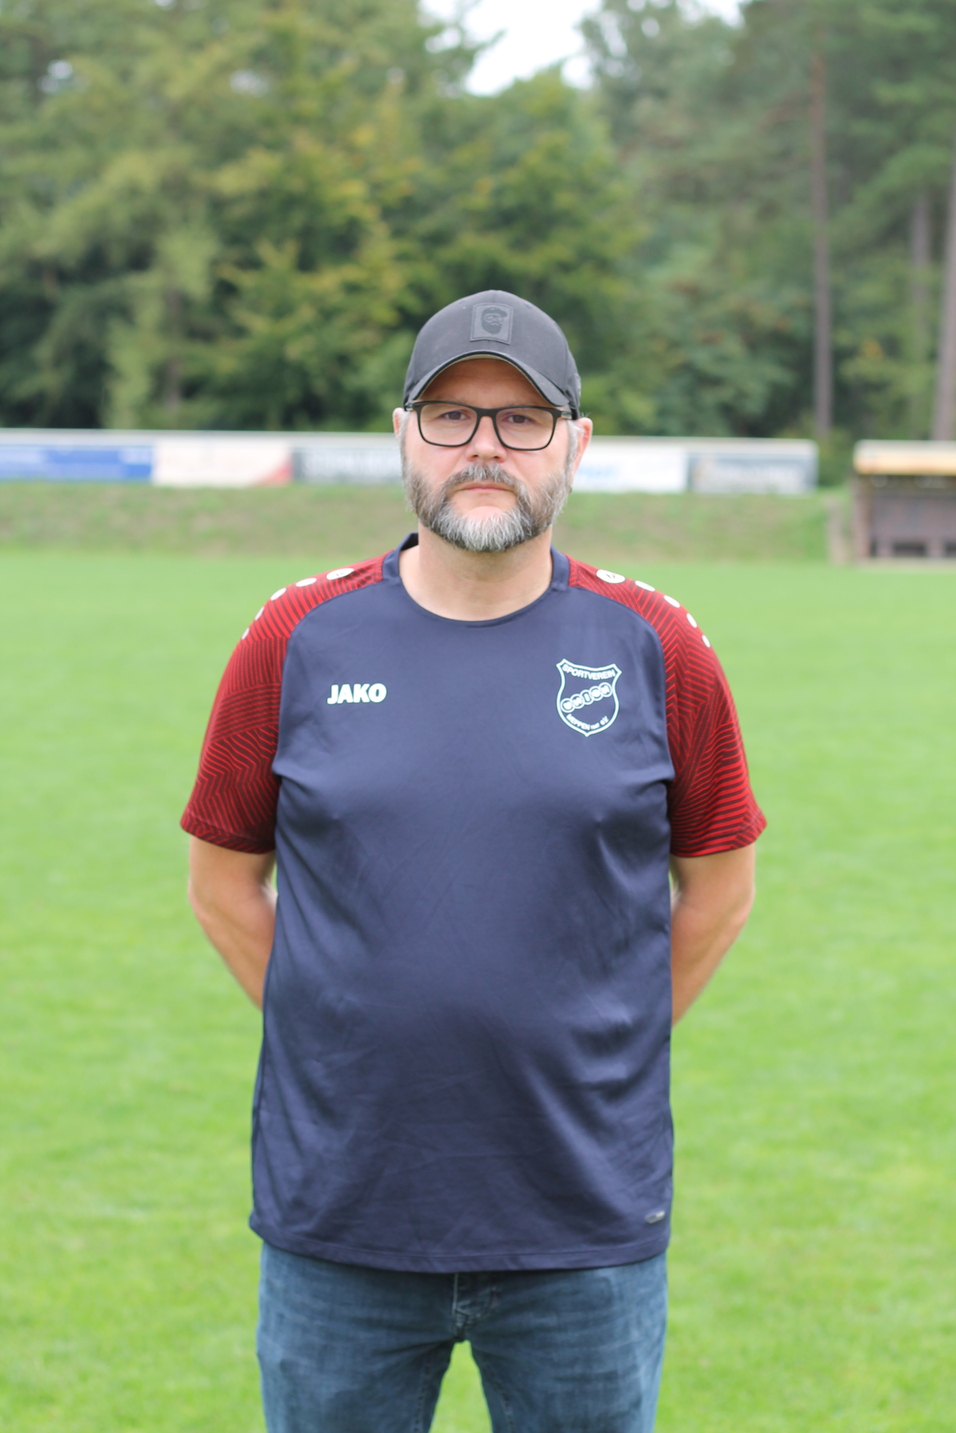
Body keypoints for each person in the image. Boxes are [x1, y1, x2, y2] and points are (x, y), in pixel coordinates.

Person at [182, 289, 765, 1433]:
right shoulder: (294, 638)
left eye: (521, 418)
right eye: (450, 415)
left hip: (579, 1224)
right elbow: (221, 882)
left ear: (575, 443)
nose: (484, 446)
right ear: (402, 435)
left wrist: (598, 1043)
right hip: (342, 1214)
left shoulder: (656, 646)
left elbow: (719, 888)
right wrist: (340, 1029)